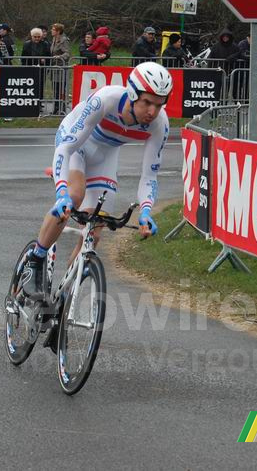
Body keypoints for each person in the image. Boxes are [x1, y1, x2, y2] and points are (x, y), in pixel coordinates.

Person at [20, 61, 171, 309]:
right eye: (147, 102)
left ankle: (63, 298)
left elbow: (150, 176)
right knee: (75, 196)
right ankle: (35, 261)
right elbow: (67, 147)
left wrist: (145, 211)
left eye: (159, 104)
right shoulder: (107, 99)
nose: (152, 111)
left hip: (106, 156)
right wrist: (62, 194)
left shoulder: (159, 124)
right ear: (132, 94)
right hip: (77, 144)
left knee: (96, 228)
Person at [21, 27, 51, 100]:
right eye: (35, 37)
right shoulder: (27, 44)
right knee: (29, 85)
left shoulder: (45, 44)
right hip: (30, 68)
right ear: (32, 36)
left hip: (41, 68)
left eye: (38, 37)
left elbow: (49, 56)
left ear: (41, 36)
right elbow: (23, 57)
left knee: (40, 85)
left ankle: (39, 101)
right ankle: (29, 100)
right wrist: (25, 67)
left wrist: (45, 60)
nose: (37, 38)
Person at [50, 23, 71, 113]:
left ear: (58, 31)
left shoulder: (64, 40)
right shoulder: (54, 39)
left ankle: (61, 108)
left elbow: (67, 53)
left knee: (61, 89)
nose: (51, 31)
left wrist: (60, 57)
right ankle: (56, 108)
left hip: (61, 68)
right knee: (55, 89)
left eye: (53, 29)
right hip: (54, 68)